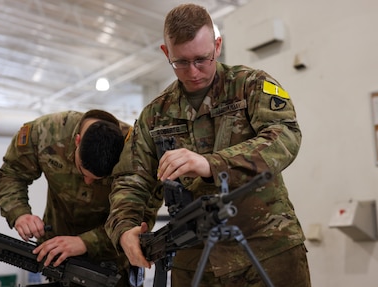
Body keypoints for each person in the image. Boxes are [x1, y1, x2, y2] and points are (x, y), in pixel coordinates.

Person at [105, 3, 311, 287]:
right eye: (181, 62)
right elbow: (132, 179)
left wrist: (211, 164)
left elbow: (285, 137)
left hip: (267, 250)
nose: (193, 71)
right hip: (194, 260)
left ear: (217, 45)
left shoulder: (250, 85)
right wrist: (125, 228)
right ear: (166, 53)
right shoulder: (155, 115)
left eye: (202, 58)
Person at [0, 109, 133, 287]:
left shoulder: (136, 153)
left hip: (112, 266)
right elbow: (12, 174)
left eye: (98, 179)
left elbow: (139, 218)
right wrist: (19, 213)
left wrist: (86, 242)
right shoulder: (46, 132)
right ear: (77, 141)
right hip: (57, 260)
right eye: (82, 171)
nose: (88, 181)